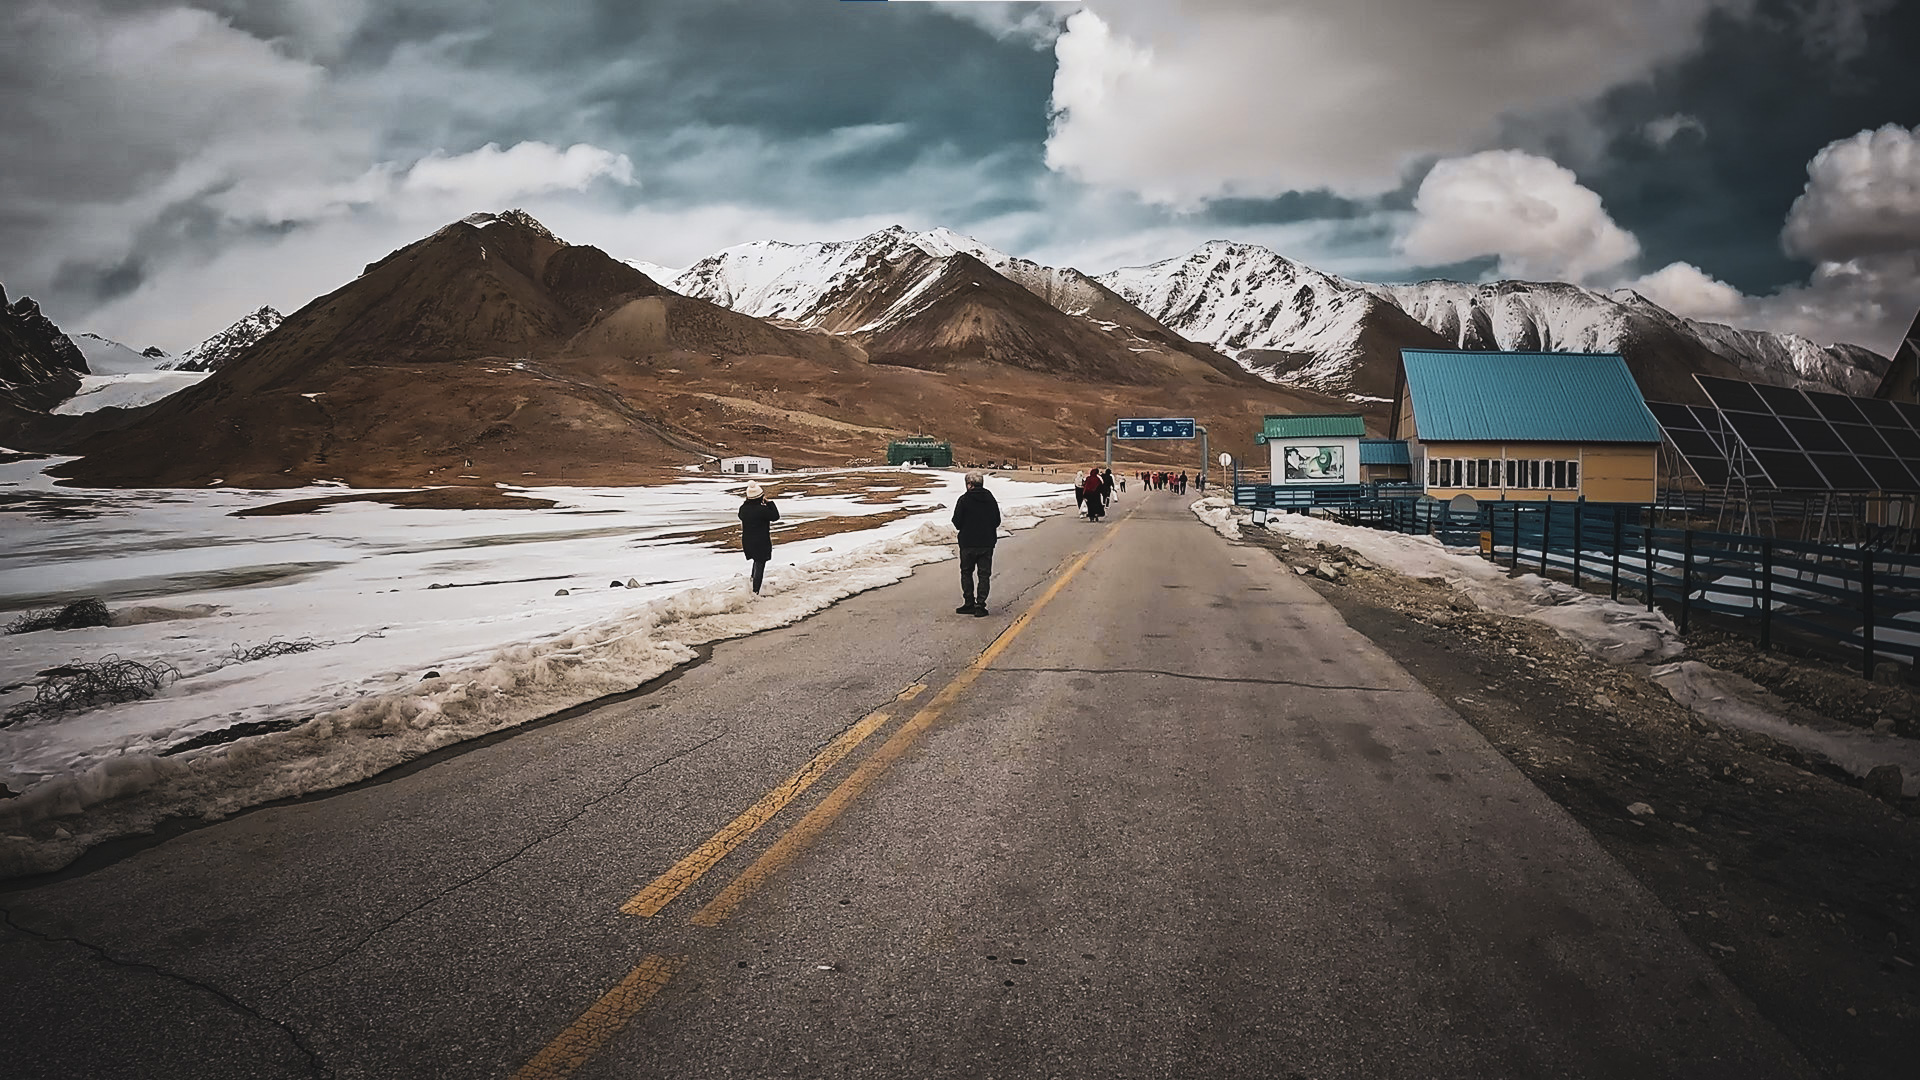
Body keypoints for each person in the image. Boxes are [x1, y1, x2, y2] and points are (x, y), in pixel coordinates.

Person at [951, 471, 1001, 616]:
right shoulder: (990, 498)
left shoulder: (963, 500)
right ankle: (980, 605)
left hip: (968, 543)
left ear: (969, 484)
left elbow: (957, 521)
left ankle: (969, 603)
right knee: (984, 574)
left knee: (966, 572)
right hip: (986, 543)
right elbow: (996, 521)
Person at [738, 482, 779, 594]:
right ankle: (755, 591)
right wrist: (769, 503)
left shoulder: (743, 509)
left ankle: (752, 583)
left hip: (748, 540)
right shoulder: (762, 510)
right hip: (761, 541)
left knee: (756, 562)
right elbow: (775, 516)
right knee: (760, 564)